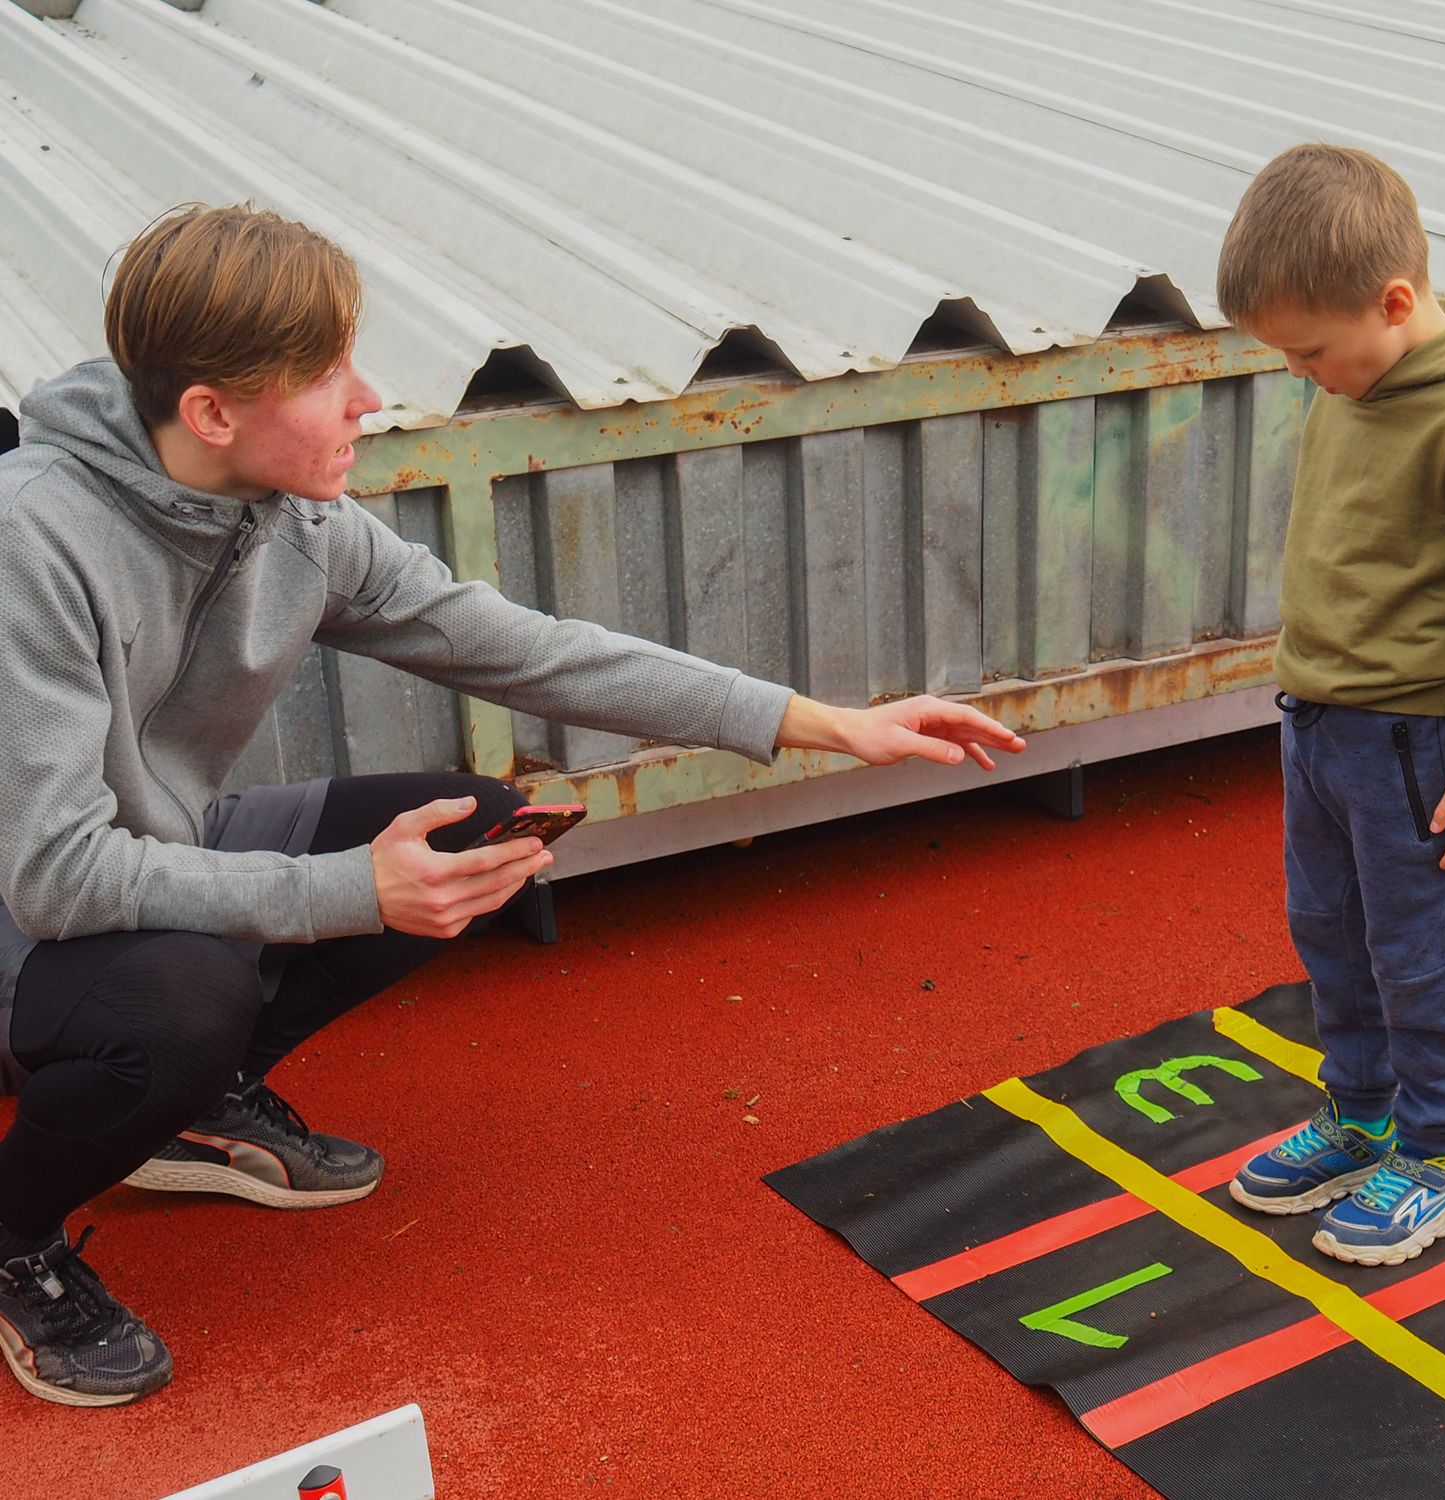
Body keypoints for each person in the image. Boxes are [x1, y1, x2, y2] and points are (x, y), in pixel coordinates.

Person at [0, 205, 1025, 1407]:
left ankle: (196, 1104)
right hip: (28, 909)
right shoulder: (33, 535)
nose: (367, 397)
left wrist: (826, 722)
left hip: (163, 845)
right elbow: (57, 872)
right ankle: (16, 1236)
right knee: (187, 999)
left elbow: (527, 650)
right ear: (214, 414)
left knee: (477, 831)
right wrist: (348, 888)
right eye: (325, 377)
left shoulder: (297, 520)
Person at [1214, 146, 1445, 1267]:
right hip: (1317, 725)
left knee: (1424, 953)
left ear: (1396, 302)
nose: (1300, 372)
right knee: (1329, 932)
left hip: (1421, 744)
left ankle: (1436, 1154)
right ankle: (1362, 1115)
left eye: (1310, 350)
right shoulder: (1350, 385)